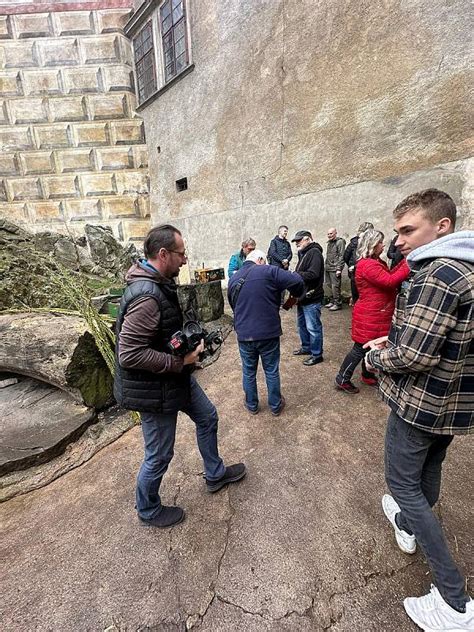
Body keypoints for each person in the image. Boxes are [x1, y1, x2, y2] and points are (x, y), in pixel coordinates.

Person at [363, 190, 473, 630]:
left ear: (441, 226)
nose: (400, 241)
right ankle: (408, 524)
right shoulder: (464, 267)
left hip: (421, 401)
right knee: (428, 471)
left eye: (408, 230)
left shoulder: (438, 274)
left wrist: (375, 357)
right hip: (451, 402)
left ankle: (455, 602)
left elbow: (415, 356)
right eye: (397, 233)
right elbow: (442, 343)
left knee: (402, 483)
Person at [114, 224, 246, 529]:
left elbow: (159, 337)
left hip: (174, 379)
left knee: (208, 417)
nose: (185, 260)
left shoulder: (157, 283)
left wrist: (188, 350)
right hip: (154, 390)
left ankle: (214, 474)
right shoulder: (146, 296)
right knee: (159, 455)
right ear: (163, 254)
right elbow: (129, 354)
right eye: (181, 254)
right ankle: (147, 509)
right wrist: (180, 361)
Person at [228, 249, 304, 415]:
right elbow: (297, 280)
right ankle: (275, 406)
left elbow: (234, 305)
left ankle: (252, 405)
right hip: (268, 332)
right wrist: (295, 296)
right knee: (271, 370)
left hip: (244, 333)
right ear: (261, 259)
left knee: (248, 371)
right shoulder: (270, 271)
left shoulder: (233, 278)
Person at [334, 229, 409, 394]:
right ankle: (342, 378)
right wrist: (409, 263)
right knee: (360, 348)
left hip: (375, 313)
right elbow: (389, 281)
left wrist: (405, 261)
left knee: (370, 347)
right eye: (381, 242)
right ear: (373, 245)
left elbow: (390, 273)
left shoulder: (375, 261)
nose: (383, 245)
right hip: (370, 314)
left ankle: (367, 375)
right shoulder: (368, 264)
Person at [291, 230, 325, 366]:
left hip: (311, 296)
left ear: (308, 239)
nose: (297, 243)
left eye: (299, 241)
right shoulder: (304, 252)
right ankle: (306, 348)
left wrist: (296, 275)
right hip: (302, 296)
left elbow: (314, 274)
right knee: (302, 325)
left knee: (313, 327)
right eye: (296, 241)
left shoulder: (314, 252)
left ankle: (317, 355)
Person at [343, 222, 374, 303]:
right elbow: (345, 256)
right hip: (355, 271)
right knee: (357, 295)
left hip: (360, 271)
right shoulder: (354, 243)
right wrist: (352, 265)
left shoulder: (371, 243)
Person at [324, 227, 346, 310]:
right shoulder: (329, 243)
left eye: (331, 233)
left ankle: (338, 303)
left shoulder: (340, 242)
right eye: (328, 234)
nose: (329, 235)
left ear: (335, 233)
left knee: (335, 286)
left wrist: (339, 268)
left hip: (335, 268)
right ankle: (333, 301)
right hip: (328, 267)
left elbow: (341, 256)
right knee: (329, 284)